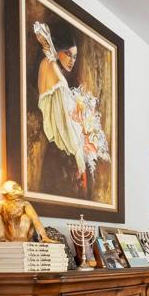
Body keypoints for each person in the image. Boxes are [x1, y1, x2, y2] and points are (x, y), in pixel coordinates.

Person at [33, 20, 110, 196]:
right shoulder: (51, 67)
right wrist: (79, 158)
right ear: (57, 49)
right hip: (60, 152)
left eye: (74, 56)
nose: (72, 60)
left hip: (62, 151)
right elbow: (64, 125)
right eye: (68, 54)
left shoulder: (50, 67)